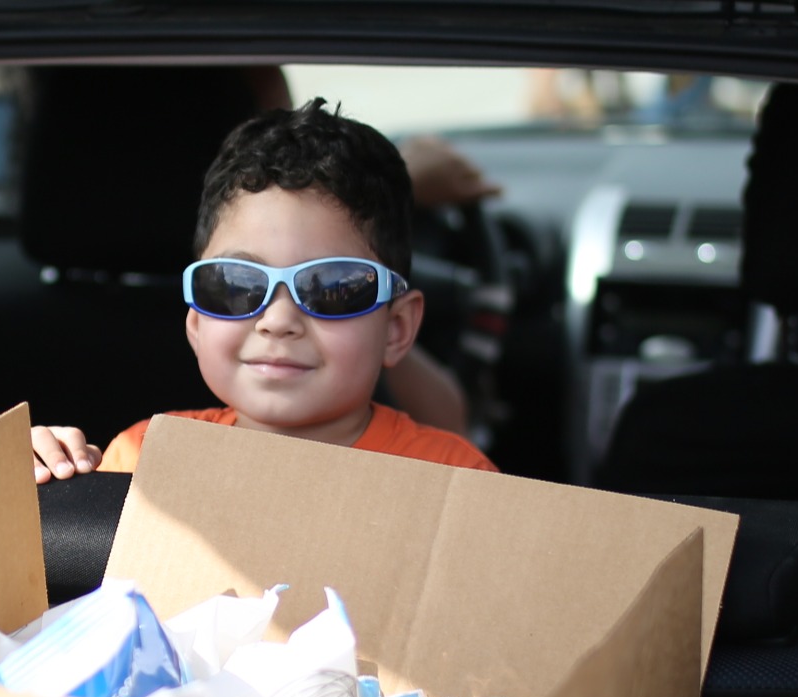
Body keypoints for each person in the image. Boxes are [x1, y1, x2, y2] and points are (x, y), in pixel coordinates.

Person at [31, 100, 499, 482]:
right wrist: (53, 486)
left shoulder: (452, 480)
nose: (277, 320)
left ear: (396, 329)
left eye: (331, 288)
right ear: (195, 321)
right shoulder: (142, 461)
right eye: (236, 285)